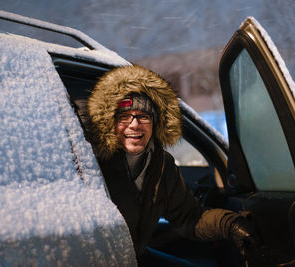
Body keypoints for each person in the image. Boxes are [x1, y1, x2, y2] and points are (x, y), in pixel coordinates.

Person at [87, 65, 255, 265]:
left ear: (155, 123)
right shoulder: (92, 164)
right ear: (109, 123)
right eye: (124, 117)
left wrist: (230, 224)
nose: (134, 124)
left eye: (143, 116)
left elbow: (190, 218)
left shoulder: (160, 165)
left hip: (137, 257)